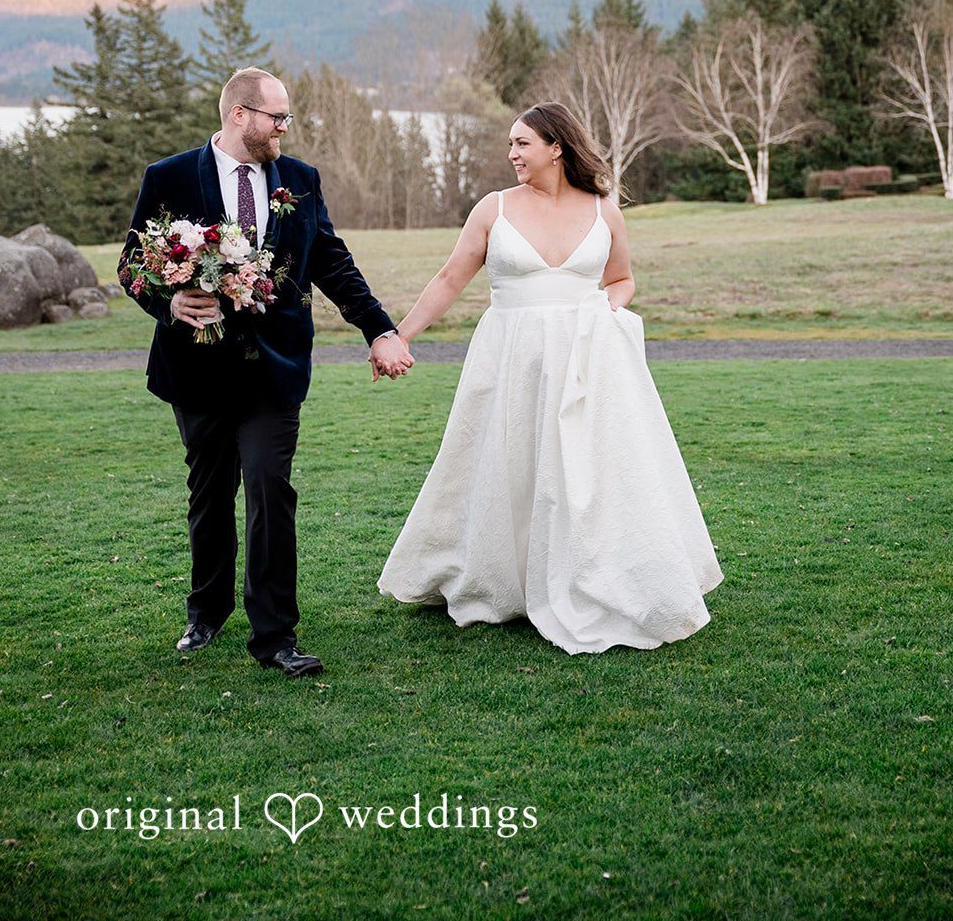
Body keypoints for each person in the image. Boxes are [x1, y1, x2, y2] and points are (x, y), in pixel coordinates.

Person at [378, 101, 723, 654]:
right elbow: (449, 278)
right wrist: (401, 335)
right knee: (508, 460)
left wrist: (603, 315)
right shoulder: (493, 209)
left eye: (522, 143)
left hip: (586, 358)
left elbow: (623, 279)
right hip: (511, 354)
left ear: (556, 148)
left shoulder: (604, 209)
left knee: (584, 470)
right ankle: (505, 577)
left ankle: (588, 570)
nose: (512, 154)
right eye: (510, 145)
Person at [118, 66, 413, 677]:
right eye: (277, 117)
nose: (285, 127)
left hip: (275, 369)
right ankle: (205, 611)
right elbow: (131, 265)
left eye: (286, 118)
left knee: (271, 490)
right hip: (196, 368)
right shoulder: (168, 177)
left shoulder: (300, 180)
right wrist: (168, 302)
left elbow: (332, 260)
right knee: (209, 491)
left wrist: (379, 328)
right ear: (239, 115)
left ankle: (276, 635)